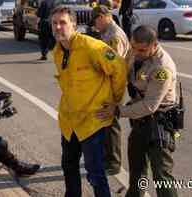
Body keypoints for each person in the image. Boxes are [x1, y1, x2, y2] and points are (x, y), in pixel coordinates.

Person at [50, 6, 127, 197]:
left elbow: (119, 69)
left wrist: (115, 103)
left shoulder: (92, 46)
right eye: (54, 23)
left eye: (63, 23)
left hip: (92, 122)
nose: (58, 27)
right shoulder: (57, 52)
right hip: (69, 121)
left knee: (95, 173)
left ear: (74, 25)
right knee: (68, 165)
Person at [96, 25, 179, 197]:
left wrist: (118, 111)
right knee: (137, 173)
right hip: (140, 123)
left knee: (162, 178)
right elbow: (121, 68)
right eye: (133, 47)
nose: (136, 52)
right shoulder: (135, 51)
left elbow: (149, 106)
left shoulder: (162, 68)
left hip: (159, 125)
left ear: (154, 45)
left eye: (142, 49)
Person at [91, 5, 129, 175]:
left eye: (95, 22)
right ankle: (107, 157)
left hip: (115, 84)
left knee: (111, 122)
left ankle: (113, 163)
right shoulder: (107, 32)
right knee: (105, 122)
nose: (95, 26)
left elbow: (115, 66)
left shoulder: (114, 36)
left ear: (102, 17)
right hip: (107, 83)